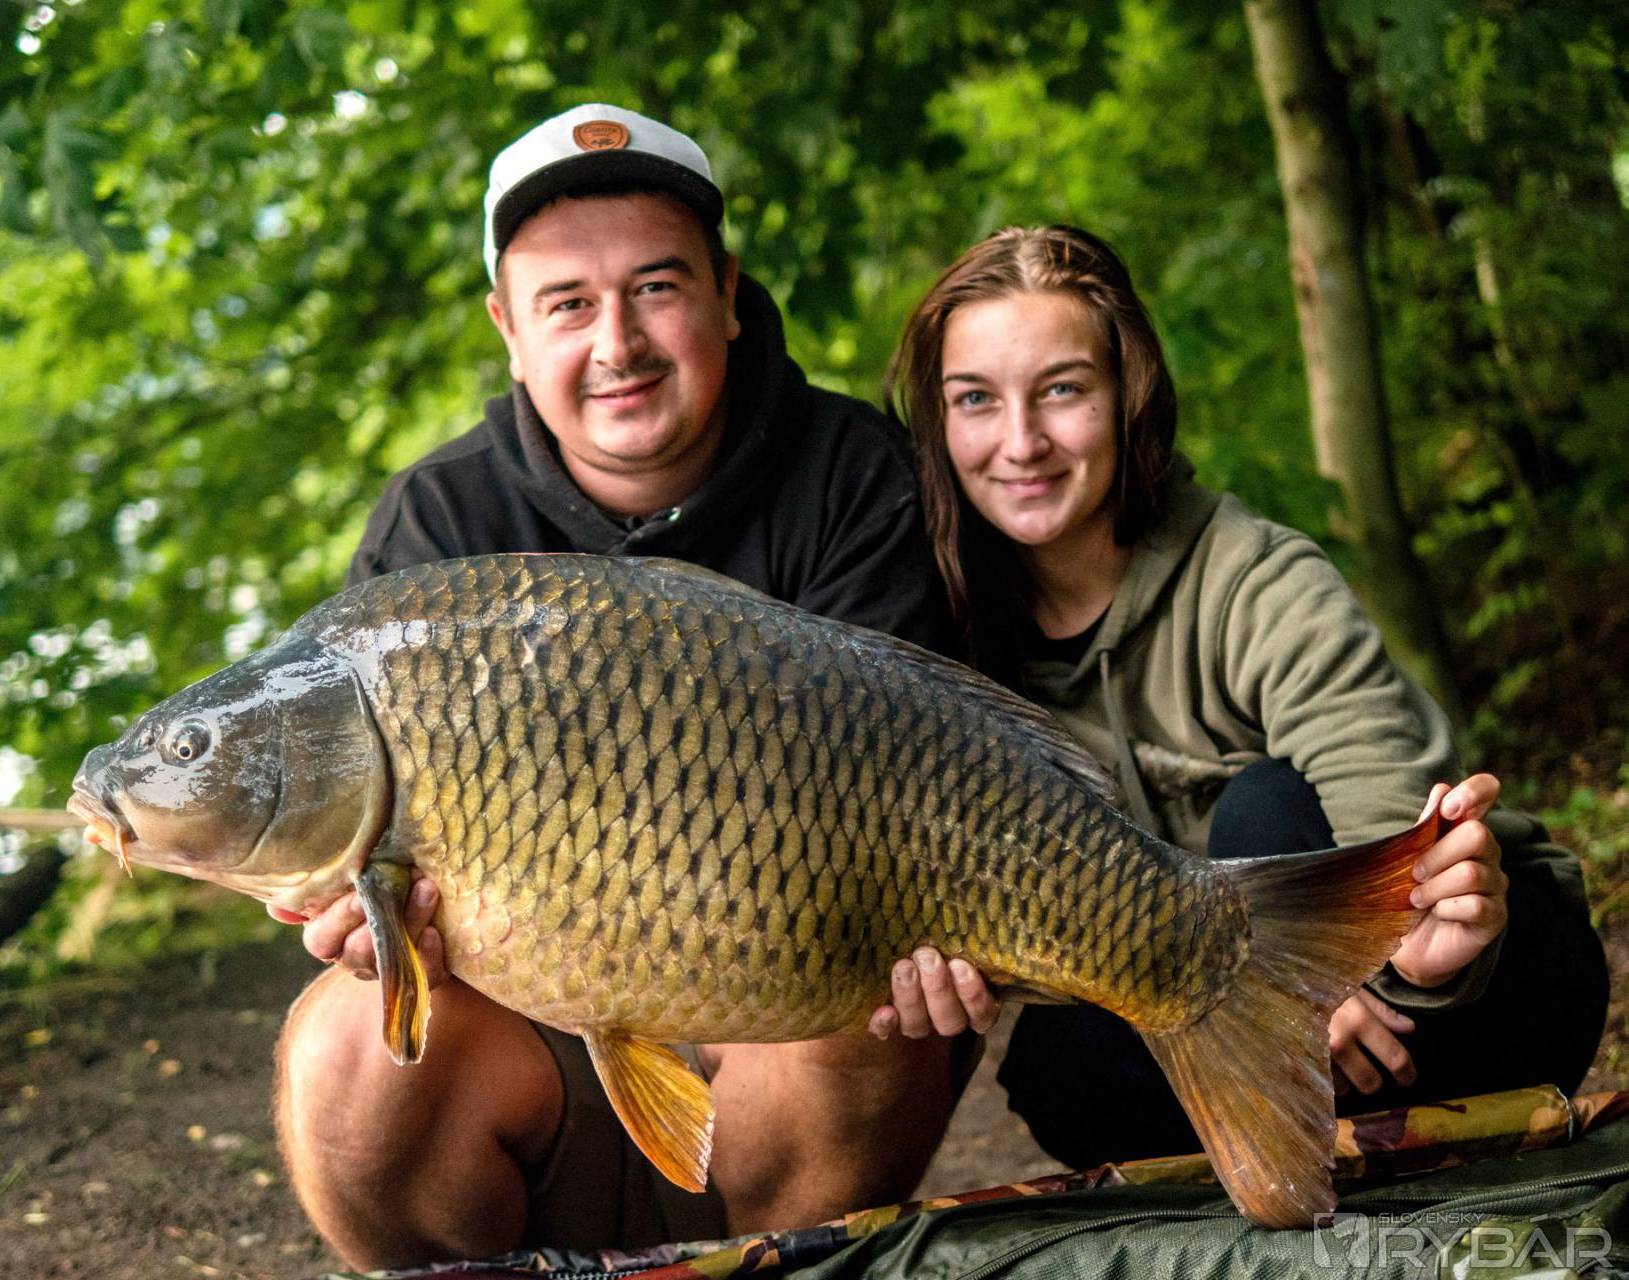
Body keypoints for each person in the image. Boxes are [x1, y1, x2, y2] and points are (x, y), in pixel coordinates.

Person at [269, 105, 964, 1268]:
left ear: (726, 293)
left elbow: (919, 792)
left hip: (796, 1019)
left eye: (655, 287)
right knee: (344, 1047)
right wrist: (370, 918)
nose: (617, 342)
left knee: (872, 1005)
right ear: (507, 329)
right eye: (567, 303)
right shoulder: (437, 523)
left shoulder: (857, 477)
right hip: (539, 1051)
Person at [875, 223, 1608, 1169]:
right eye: (976, 399)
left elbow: (1400, 849)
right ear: (937, 424)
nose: (1021, 442)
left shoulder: (1255, 579)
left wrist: (1366, 966)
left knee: (1260, 810)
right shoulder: (947, 641)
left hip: (1456, 987)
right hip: (1231, 1015)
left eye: (1062, 389)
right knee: (1059, 1065)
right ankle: (1300, 1161)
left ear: (1129, 396)